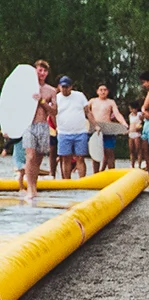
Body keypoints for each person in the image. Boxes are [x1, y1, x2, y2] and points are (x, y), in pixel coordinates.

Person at [20, 60, 57, 202]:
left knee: (38, 158)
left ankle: (34, 186)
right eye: (40, 70)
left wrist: (42, 101)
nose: (42, 73)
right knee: (30, 156)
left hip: (42, 125)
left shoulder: (51, 90)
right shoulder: (26, 88)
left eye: (44, 71)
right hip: (29, 124)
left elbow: (54, 111)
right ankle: (29, 187)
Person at [54, 76, 91, 180]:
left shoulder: (79, 96)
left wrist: (95, 125)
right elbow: (52, 114)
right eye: (63, 87)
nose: (65, 89)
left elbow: (87, 111)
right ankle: (66, 180)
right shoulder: (56, 98)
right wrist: (55, 127)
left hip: (80, 131)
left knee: (80, 157)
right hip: (63, 132)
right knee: (65, 158)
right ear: (59, 87)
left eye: (67, 87)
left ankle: (82, 180)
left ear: (71, 87)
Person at [90, 84, 127, 172]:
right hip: (96, 128)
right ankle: (95, 175)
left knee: (109, 151)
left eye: (105, 90)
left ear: (108, 91)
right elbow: (85, 111)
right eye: (101, 90)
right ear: (97, 91)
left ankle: (111, 173)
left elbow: (117, 114)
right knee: (95, 153)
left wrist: (124, 123)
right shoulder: (92, 101)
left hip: (108, 128)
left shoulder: (111, 102)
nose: (103, 92)